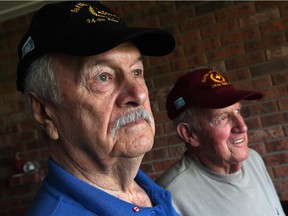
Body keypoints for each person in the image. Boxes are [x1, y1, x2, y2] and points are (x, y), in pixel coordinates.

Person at [16, 1, 179, 216]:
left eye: (137, 72)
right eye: (103, 77)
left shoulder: (149, 192)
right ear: (45, 112)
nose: (138, 94)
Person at [156, 68, 286, 216]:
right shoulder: (169, 197)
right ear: (189, 134)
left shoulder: (254, 159)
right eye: (222, 118)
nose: (242, 126)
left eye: (237, 111)